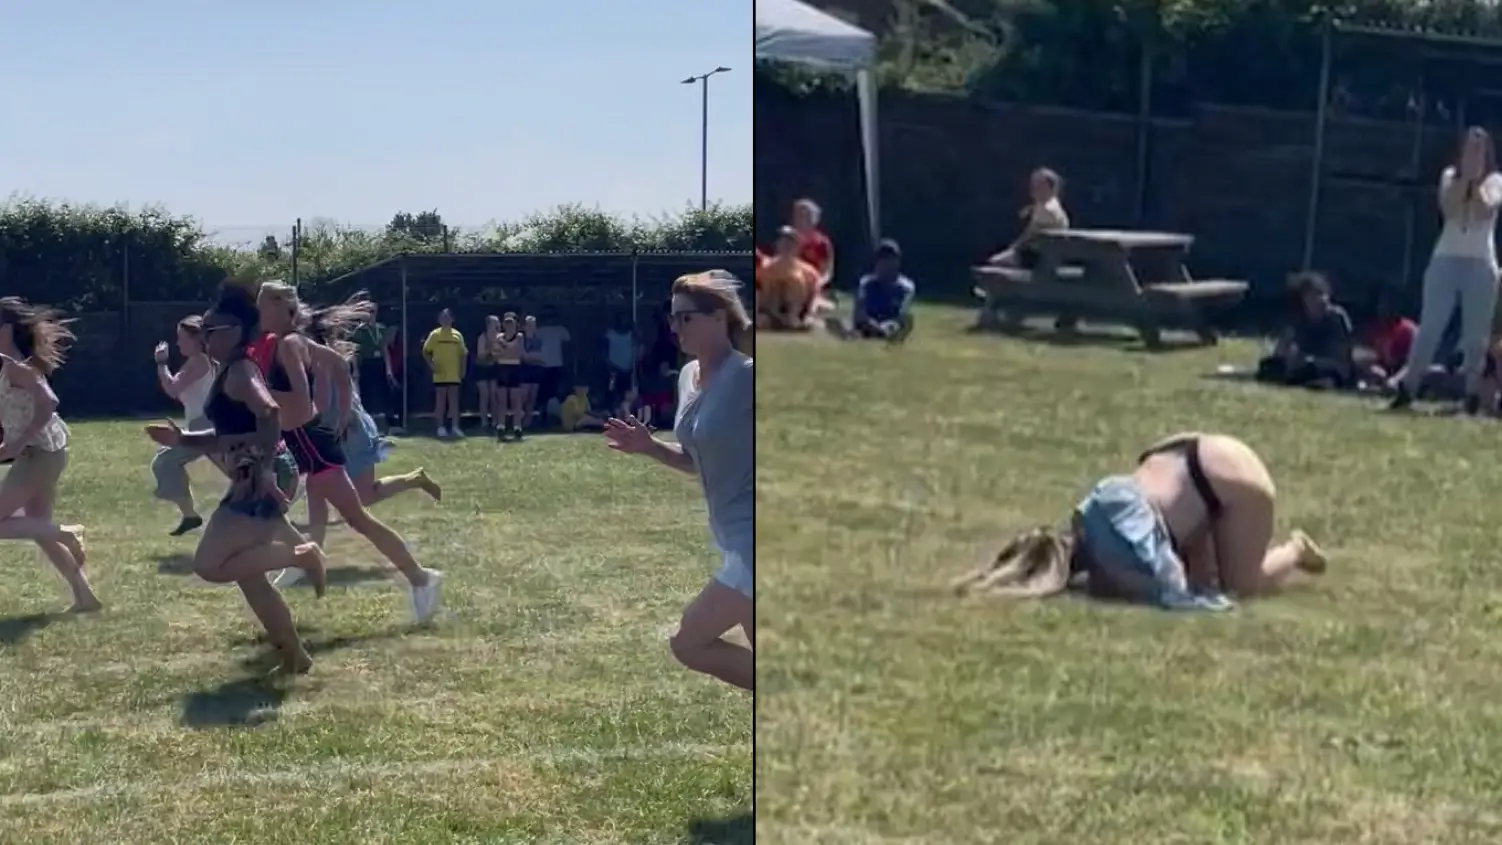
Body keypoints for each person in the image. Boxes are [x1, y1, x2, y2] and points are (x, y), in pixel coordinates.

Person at [145, 284, 325, 675]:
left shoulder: (241, 370)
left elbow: (270, 414)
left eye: (214, 330)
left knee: (210, 564)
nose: (206, 336)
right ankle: (295, 656)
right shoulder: (230, 368)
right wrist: (182, 439)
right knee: (249, 574)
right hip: (260, 471)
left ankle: (303, 555)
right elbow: (230, 433)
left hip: (262, 474)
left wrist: (259, 473)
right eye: (204, 329)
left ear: (238, 331)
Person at [952, 433, 1327, 609]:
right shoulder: (1091, 506)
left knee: (1240, 587)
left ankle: (1295, 550)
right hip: (1190, 450)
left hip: (1238, 485)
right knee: (1207, 568)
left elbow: (1178, 594)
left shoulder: (1119, 550)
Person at [256, 281, 443, 623]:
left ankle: (421, 578)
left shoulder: (290, 344)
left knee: (357, 516)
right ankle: (306, 559)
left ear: (284, 309)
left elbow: (301, 394)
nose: (260, 312)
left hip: (317, 442)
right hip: (313, 441)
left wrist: (260, 394)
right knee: (335, 511)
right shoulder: (292, 342)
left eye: (264, 306)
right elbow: (339, 369)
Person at [603, 271, 753, 692]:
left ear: (720, 318)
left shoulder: (747, 376)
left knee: (690, 642)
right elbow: (696, 460)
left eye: (686, 318)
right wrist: (649, 447)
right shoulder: (688, 376)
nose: (675, 328)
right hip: (731, 537)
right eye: (673, 319)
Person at [1391, 126, 1502, 413]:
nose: (1473, 155)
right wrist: (1464, 178)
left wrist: (1476, 181)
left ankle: (1471, 395)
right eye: (1469, 149)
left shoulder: (1495, 181)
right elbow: (1450, 210)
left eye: (1479, 150)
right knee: (1430, 327)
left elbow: (1483, 211)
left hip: (1480, 264)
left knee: (1476, 336)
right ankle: (1408, 387)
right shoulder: (1449, 177)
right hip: (1446, 260)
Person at [0, 298, 97, 614]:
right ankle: (85, 597)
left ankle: (67, 533)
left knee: (37, 526)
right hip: (43, 454)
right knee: (37, 527)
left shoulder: (19, 368)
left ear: (4, 330)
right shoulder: (9, 366)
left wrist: (18, 443)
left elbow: (49, 402)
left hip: (38, 455)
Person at [150, 315, 217, 535]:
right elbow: (183, 394)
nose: (178, 343)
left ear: (197, 339)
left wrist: (161, 363)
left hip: (203, 424)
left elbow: (172, 389)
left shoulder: (199, 360)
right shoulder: (201, 361)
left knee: (164, 461)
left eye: (181, 338)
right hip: (203, 422)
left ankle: (190, 515)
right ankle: (190, 515)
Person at [1255, 272, 1356, 389]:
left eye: (1322, 294)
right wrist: (1285, 359)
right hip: (1303, 364)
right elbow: (1282, 349)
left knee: (1325, 372)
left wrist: (1315, 361)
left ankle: (1322, 382)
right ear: (1303, 299)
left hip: (1330, 365)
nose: (1320, 299)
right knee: (1270, 368)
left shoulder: (1337, 317)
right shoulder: (1297, 317)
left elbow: (1343, 356)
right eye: (1313, 295)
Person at [826, 239, 916, 342]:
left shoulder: (906, 288)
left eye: (890, 261)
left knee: (907, 321)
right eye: (883, 262)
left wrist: (888, 326)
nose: (886, 266)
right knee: (838, 321)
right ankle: (858, 334)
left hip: (891, 325)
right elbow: (860, 312)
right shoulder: (866, 283)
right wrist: (873, 325)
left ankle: (878, 336)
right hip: (868, 324)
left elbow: (902, 315)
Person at [987, 167, 1071, 267]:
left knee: (994, 263)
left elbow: (1029, 236)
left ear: (1050, 187)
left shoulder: (1047, 209)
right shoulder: (1047, 205)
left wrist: (1012, 249)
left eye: (1039, 185)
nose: (1034, 188)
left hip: (1038, 257)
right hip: (1044, 254)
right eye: (1033, 184)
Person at [756, 226, 820, 330]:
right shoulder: (764, 267)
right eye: (783, 241)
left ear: (798, 247)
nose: (786, 245)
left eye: (790, 242)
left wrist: (810, 315)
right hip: (770, 312)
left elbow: (815, 296)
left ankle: (793, 320)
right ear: (777, 244)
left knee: (795, 279)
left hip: (797, 312)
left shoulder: (809, 272)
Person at [1356, 291, 1418, 390]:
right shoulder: (1374, 329)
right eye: (1383, 304)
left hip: (1403, 371)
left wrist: (1395, 379)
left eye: (1390, 305)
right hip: (1382, 371)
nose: (1385, 309)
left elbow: (1411, 363)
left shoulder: (1408, 330)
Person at [422, 308, 467, 437]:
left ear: (452, 319)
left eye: (447, 317)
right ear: (439, 320)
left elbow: (463, 354)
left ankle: (455, 427)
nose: (445, 319)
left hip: (454, 373)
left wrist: (462, 369)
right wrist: (431, 365)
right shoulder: (434, 335)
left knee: (454, 402)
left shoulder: (457, 335)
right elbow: (425, 351)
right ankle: (440, 427)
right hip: (440, 374)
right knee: (440, 402)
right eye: (443, 317)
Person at [491, 312, 527, 441]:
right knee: (502, 400)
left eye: (511, 323)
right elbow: (495, 354)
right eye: (506, 323)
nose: (509, 325)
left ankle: (517, 427)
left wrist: (505, 349)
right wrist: (508, 351)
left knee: (516, 400)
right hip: (502, 369)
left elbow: (519, 353)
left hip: (515, 369)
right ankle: (501, 427)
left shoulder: (519, 337)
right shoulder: (498, 336)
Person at [791, 198, 835, 292]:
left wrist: (818, 284)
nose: (801, 219)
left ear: (814, 219)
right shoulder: (788, 240)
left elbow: (826, 273)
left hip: (812, 286)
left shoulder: (822, 243)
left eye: (805, 216)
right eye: (798, 215)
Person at [531, 311, 571, 413]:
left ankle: (553, 413)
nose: (550, 319)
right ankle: (542, 412)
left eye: (552, 316)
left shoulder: (561, 329)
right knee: (543, 391)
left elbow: (567, 345)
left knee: (555, 391)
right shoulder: (539, 331)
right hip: (542, 365)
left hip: (557, 364)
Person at [473, 315, 499, 431]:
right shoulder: (482, 337)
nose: (497, 325)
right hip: (482, 368)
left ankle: (495, 421)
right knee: (485, 395)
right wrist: (491, 349)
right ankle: (484, 421)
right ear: (488, 324)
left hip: (494, 368)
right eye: (495, 323)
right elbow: (481, 355)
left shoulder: (499, 337)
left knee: (494, 395)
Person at [520, 315, 545, 431]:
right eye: (529, 324)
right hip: (524, 369)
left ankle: (528, 423)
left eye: (533, 325)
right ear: (524, 326)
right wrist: (532, 356)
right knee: (523, 396)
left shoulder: (538, 340)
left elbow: (541, 357)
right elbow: (522, 356)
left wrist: (530, 356)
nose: (531, 327)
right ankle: (518, 420)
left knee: (532, 396)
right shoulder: (521, 339)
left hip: (536, 369)